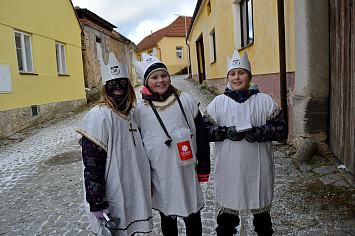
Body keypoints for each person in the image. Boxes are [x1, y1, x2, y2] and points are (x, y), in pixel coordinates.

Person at [203, 50, 287, 236]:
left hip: (257, 167)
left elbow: (282, 130)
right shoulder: (218, 103)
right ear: (228, 77)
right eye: (232, 74)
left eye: (241, 73)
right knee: (227, 219)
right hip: (229, 168)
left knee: (262, 219)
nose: (237, 77)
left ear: (249, 75)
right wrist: (224, 131)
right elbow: (205, 131)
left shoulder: (264, 101)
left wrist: (261, 132)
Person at [76, 48, 152, 235]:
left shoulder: (130, 113)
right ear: (105, 87)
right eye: (112, 83)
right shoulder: (99, 116)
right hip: (113, 191)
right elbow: (92, 164)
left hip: (133, 186)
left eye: (122, 82)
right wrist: (97, 201)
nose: (117, 86)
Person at [133, 53, 210, 236]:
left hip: (187, 170)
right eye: (154, 77)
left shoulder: (185, 100)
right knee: (167, 217)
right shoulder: (139, 110)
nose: (161, 80)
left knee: (193, 215)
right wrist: (145, 179)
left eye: (164, 75)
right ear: (146, 81)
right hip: (161, 174)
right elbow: (138, 148)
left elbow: (201, 134)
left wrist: (204, 166)